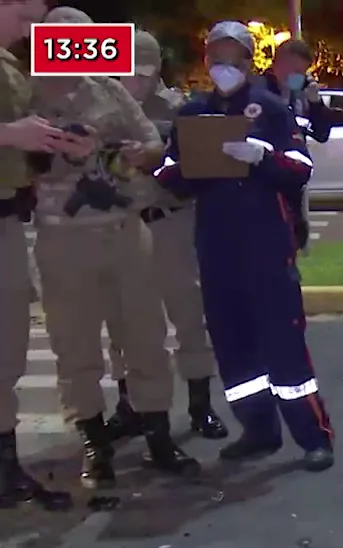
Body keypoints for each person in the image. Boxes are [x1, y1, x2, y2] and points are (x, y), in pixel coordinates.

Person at [30, 6, 200, 488]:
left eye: (78, 39)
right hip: (63, 239)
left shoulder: (109, 89)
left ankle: (158, 436)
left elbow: (152, 147)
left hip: (125, 233)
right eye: (60, 38)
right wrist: (50, 148)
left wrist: (115, 153)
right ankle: (93, 442)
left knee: (145, 339)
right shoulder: (27, 93)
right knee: (75, 347)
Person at [155, 21, 334, 471]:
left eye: (232, 54)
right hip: (216, 247)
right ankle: (257, 430)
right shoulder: (193, 114)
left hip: (267, 244)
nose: (222, 64)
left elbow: (299, 168)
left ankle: (314, 436)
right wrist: (187, 167)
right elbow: (169, 175)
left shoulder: (270, 108)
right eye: (215, 54)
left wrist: (261, 158)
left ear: (248, 58)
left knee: (283, 342)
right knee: (233, 345)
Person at [106, 28, 227, 443]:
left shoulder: (180, 109)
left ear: (156, 68)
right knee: (125, 323)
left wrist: (158, 158)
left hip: (171, 222)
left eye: (141, 73)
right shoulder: (102, 109)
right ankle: (130, 406)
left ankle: (200, 405)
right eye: (126, 73)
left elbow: (199, 171)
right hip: (122, 225)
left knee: (191, 318)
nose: (133, 83)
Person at [0, 0, 83, 509]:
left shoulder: (10, 65)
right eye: (25, 15)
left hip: (8, 215)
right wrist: (12, 134)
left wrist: (51, 145)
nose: (32, 29)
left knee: (7, 353)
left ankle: (6, 468)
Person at [260, 38, 334, 253]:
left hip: (291, 188)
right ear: (278, 63)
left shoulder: (298, 95)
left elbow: (321, 133)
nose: (297, 77)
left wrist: (316, 104)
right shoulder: (258, 92)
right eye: (293, 70)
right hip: (266, 187)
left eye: (302, 72)